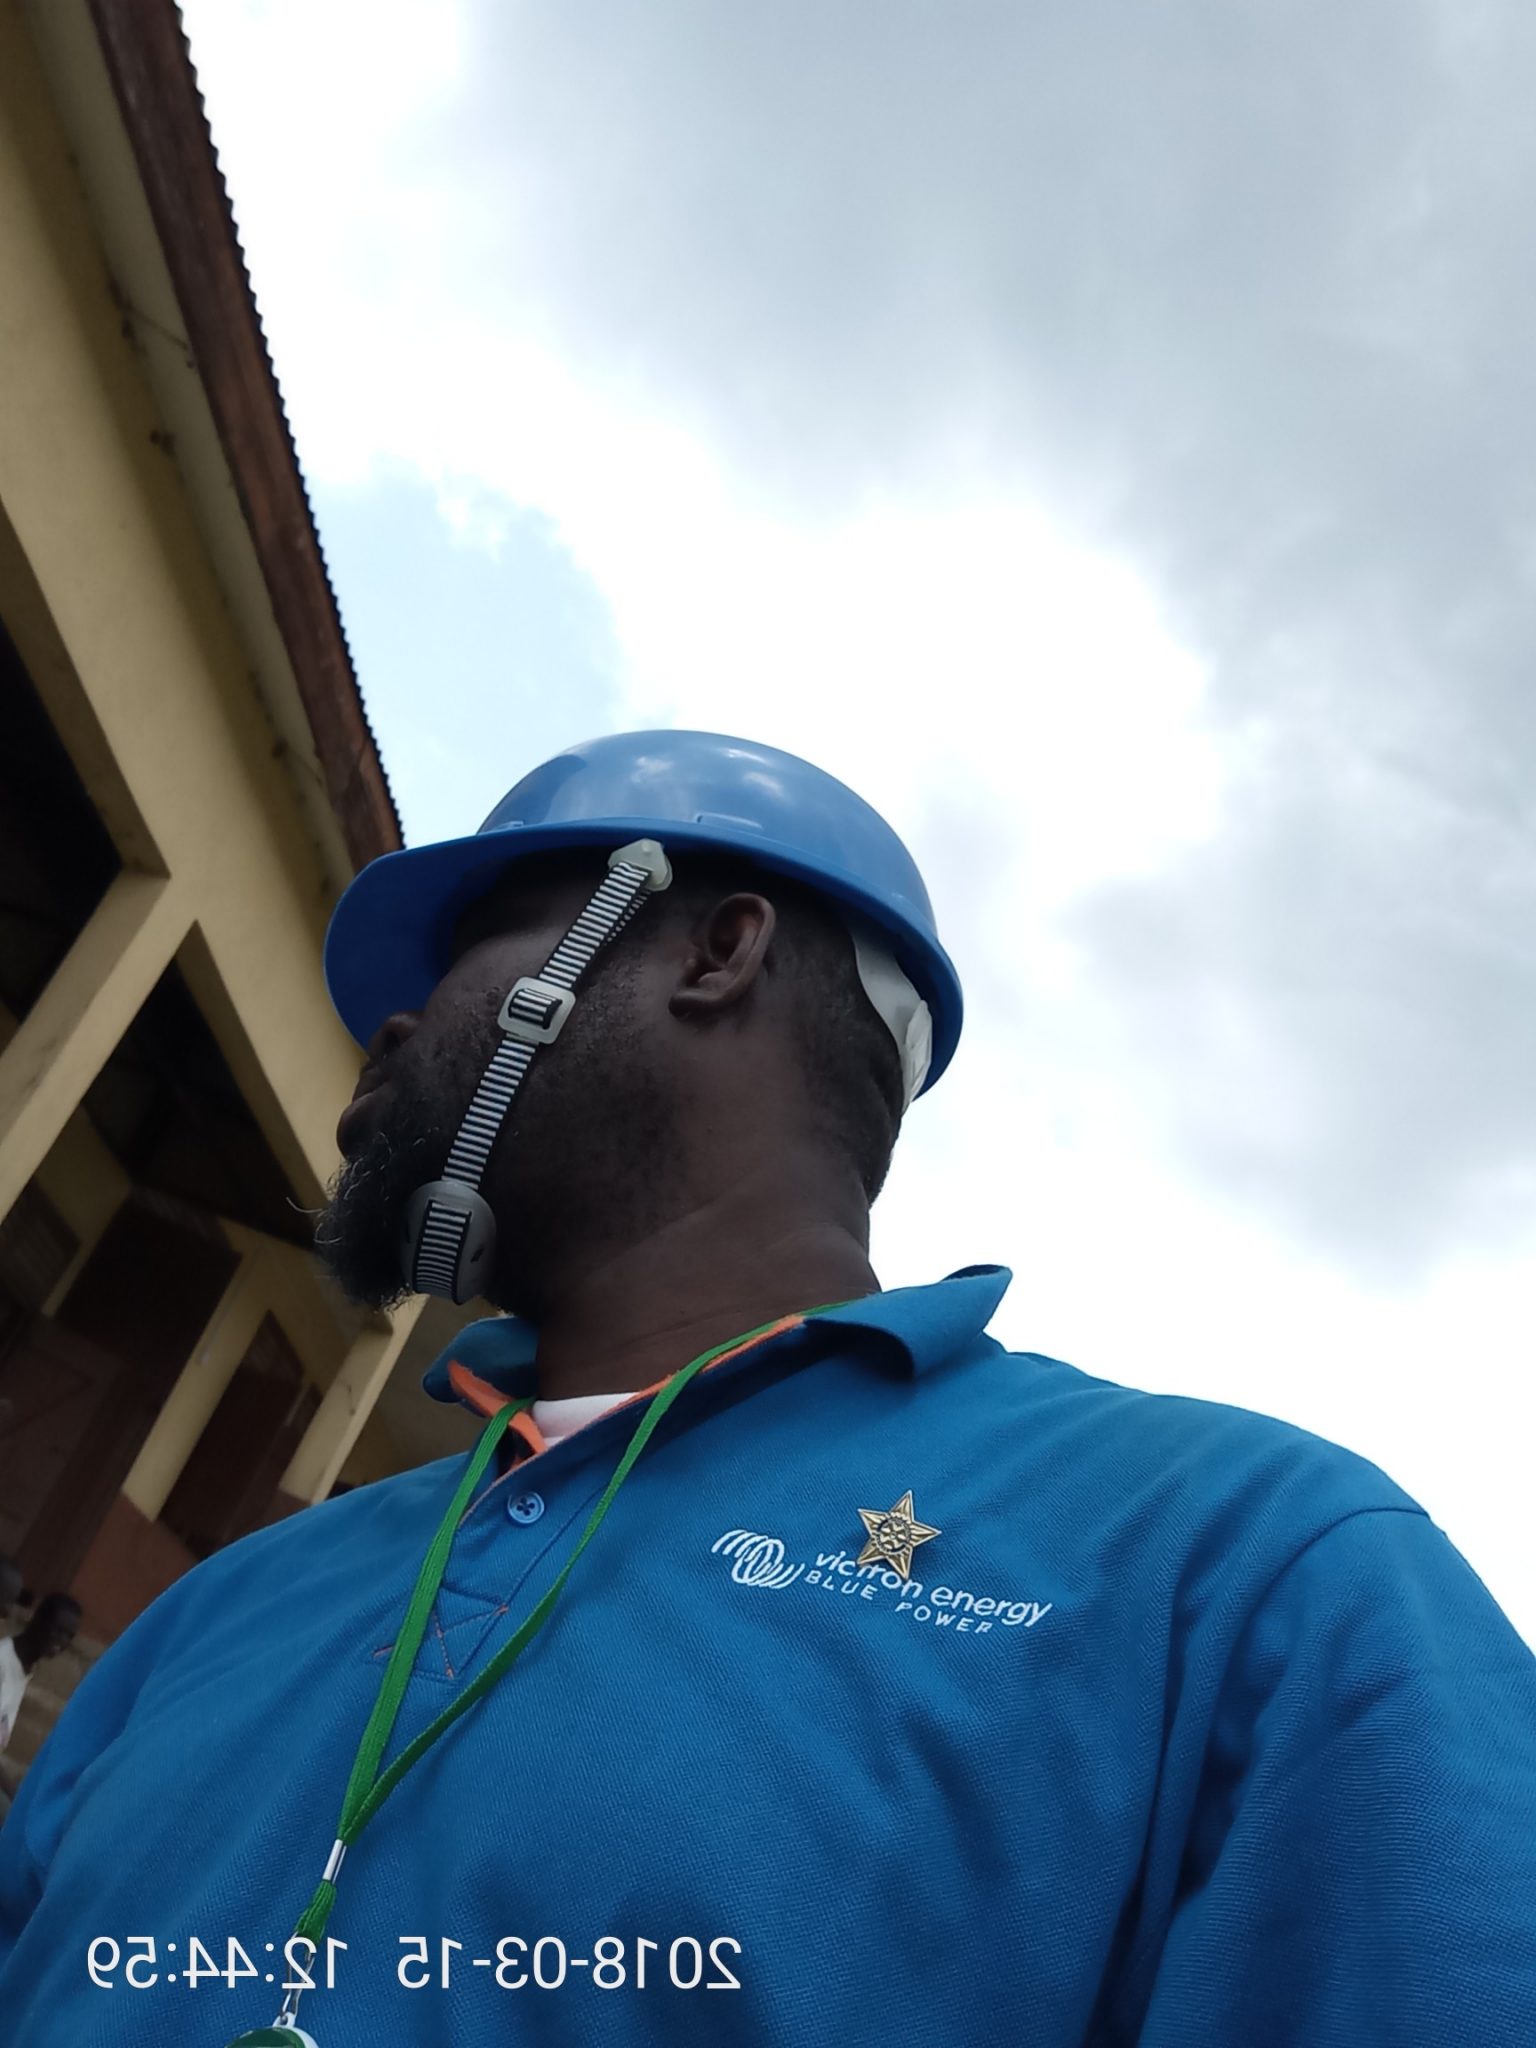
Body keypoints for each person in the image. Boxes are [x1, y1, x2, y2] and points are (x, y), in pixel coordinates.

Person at [0, 730, 1532, 2047]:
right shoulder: (225, 1606)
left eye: (475, 946)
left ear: (714, 951)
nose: (389, 1028)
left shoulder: (1239, 1562)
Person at [0, 1595, 80, 1756]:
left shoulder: (25, 1669)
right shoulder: (3, 1662)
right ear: (38, 1620)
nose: (62, 1641)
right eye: (58, 1630)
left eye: (69, 1636)